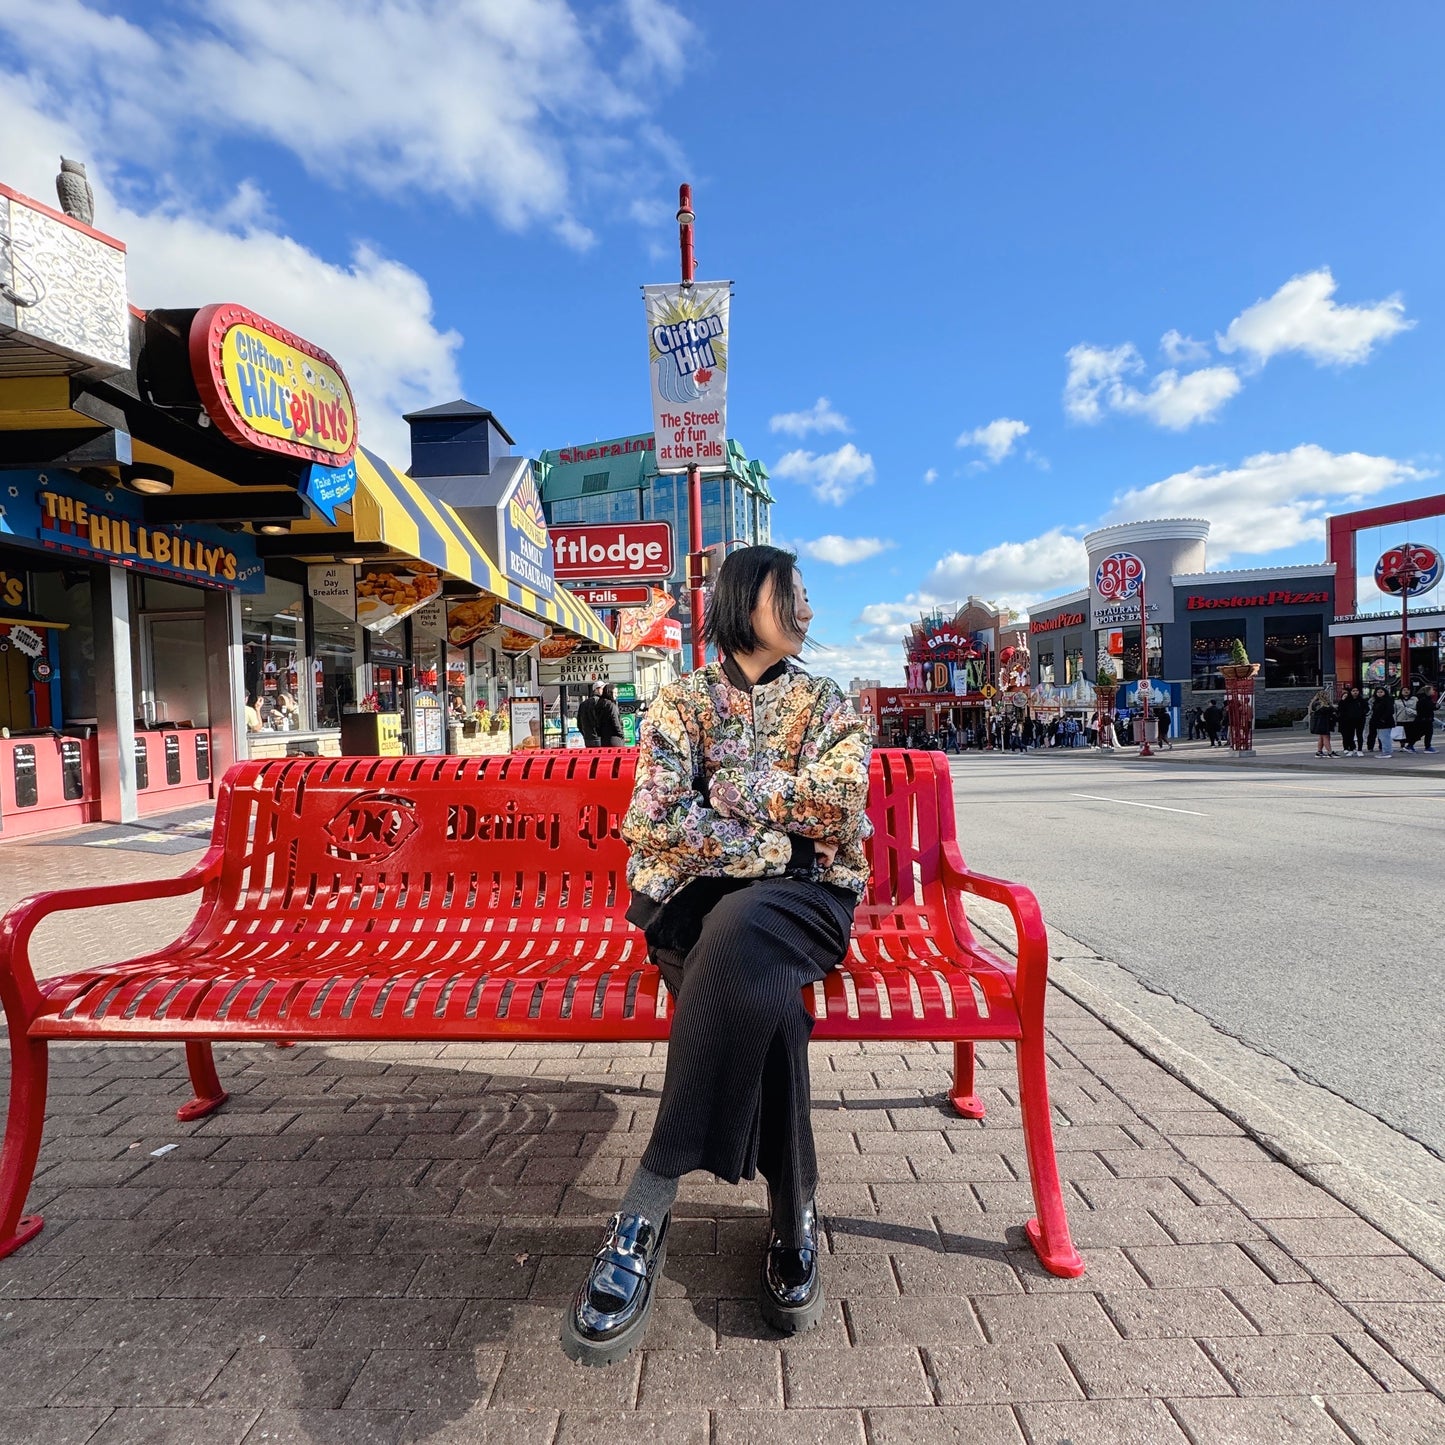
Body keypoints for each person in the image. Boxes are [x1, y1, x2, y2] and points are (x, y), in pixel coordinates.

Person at [562, 545, 871, 1365]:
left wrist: (728, 793)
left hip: (808, 903)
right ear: (746, 598)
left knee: (743, 937)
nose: (806, 605)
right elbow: (657, 820)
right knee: (768, 1000)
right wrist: (783, 844)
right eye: (792, 592)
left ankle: (645, 1203)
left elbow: (840, 802)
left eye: (808, 593)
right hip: (694, 902)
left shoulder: (826, 701)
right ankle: (792, 1210)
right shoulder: (680, 702)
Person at [1307, 689, 1337, 757]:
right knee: (1326, 737)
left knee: (1321, 737)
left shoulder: (1316, 703)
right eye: (1326, 695)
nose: (1328, 696)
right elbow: (1325, 710)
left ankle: (1319, 751)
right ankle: (1330, 752)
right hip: (1321, 723)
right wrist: (1332, 708)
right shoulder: (1319, 704)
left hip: (1321, 723)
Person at [1338, 685, 1367, 756]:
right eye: (1353, 691)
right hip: (1349, 720)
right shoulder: (1347, 700)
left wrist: (1362, 714)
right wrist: (1342, 700)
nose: (1355, 692)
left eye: (1356, 691)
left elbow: (1366, 709)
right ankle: (1351, 749)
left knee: (1359, 735)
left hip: (1360, 720)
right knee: (1350, 735)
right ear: (1350, 692)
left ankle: (1360, 749)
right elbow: (1341, 708)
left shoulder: (1362, 700)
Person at [1367, 686, 1395, 757]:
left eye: (1381, 692)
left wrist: (1383, 719)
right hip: (1378, 722)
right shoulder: (1376, 701)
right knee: (1382, 737)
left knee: (1384, 737)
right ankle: (1386, 751)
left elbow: (1390, 711)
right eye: (1378, 692)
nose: (1379, 694)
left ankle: (1386, 752)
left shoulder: (1387, 700)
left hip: (1385, 722)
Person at [577, 683, 602, 748]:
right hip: (601, 737)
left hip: (588, 737)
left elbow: (579, 723)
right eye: (602, 688)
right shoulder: (602, 702)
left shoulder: (583, 704)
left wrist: (585, 734)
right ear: (596, 690)